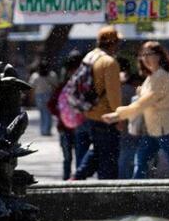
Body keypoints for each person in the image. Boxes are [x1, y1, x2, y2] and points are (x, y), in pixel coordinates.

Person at [103, 41, 169, 179]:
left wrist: (118, 114)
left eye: (149, 54)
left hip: (164, 127)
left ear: (159, 56)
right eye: (143, 54)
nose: (145, 58)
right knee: (141, 160)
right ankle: (134, 191)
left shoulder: (161, 76)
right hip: (154, 127)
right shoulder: (153, 76)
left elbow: (144, 102)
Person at [70, 26, 123, 180]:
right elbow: (114, 94)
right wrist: (118, 117)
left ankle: (77, 178)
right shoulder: (109, 62)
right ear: (113, 42)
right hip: (106, 116)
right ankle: (109, 193)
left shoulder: (90, 56)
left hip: (90, 112)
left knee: (98, 150)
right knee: (109, 159)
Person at [50, 50, 85, 180]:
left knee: (68, 157)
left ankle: (68, 179)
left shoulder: (62, 86)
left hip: (64, 126)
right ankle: (77, 178)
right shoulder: (81, 85)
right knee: (78, 154)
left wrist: (62, 115)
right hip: (77, 126)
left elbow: (51, 104)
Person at [28, 60, 58, 137]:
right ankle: (47, 130)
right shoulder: (52, 75)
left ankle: (43, 130)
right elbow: (56, 86)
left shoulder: (35, 76)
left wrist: (31, 98)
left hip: (39, 96)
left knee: (42, 113)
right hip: (48, 95)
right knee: (48, 113)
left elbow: (32, 88)